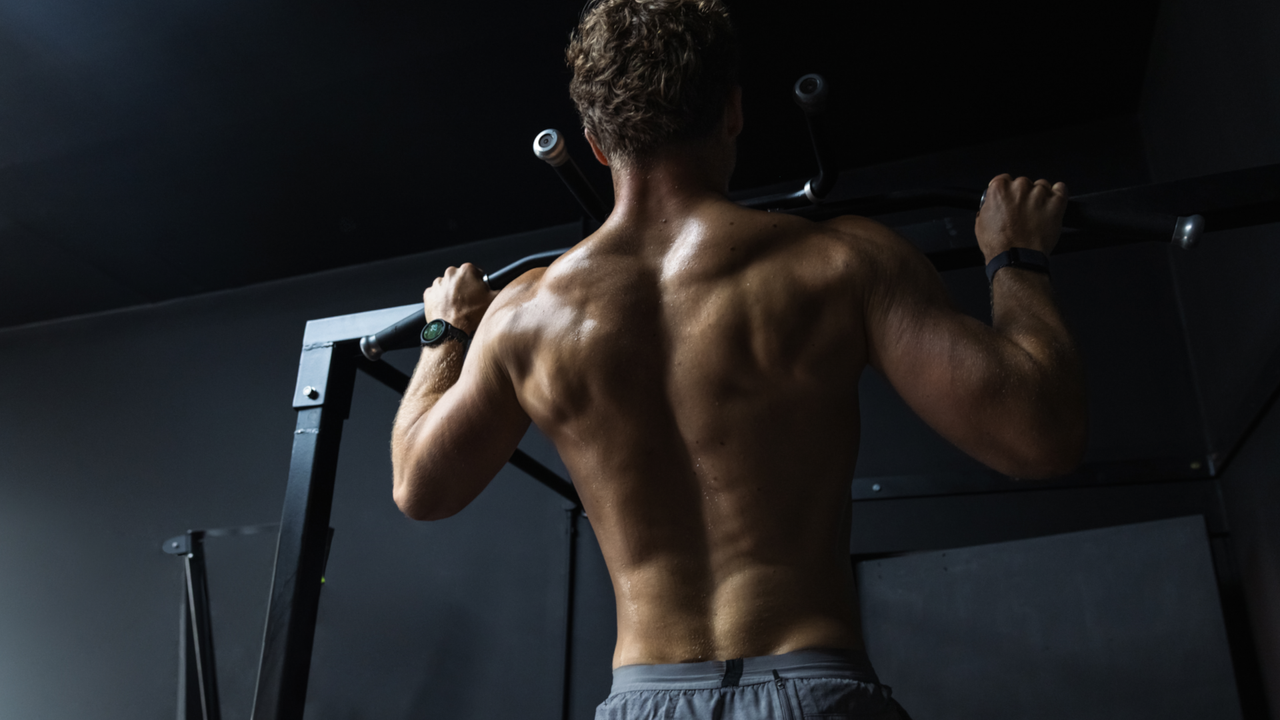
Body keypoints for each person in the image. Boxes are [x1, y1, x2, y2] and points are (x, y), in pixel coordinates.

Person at [390, 0, 1087, 717]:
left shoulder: (524, 316)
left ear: (595, 143)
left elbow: (419, 487)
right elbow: (1040, 436)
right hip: (812, 689)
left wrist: (446, 332)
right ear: (732, 112)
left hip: (643, 703)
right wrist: (1017, 259)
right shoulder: (840, 263)